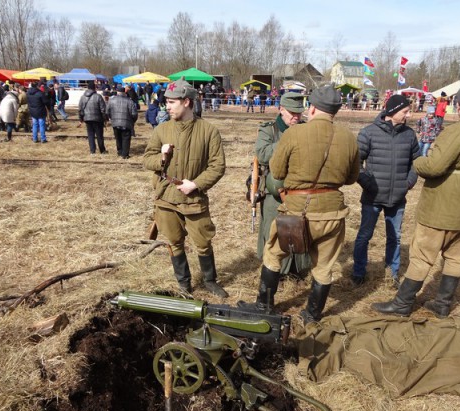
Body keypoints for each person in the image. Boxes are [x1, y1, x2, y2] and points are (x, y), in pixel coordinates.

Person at [372, 80, 460, 318]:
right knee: (456, 256)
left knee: (423, 254)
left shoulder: (457, 131)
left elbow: (433, 167)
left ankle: (403, 303)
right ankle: (443, 304)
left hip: (442, 206)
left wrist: (415, 162)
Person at [243, 85, 360, 324]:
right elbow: (351, 178)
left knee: (273, 254)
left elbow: (276, 170)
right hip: (333, 212)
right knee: (324, 267)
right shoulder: (349, 137)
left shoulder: (294, 134)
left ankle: (264, 306)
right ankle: (311, 315)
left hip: (297, 210)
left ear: (313, 108)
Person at [142, 77, 227, 298]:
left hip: (193, 199)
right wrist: (161, 157)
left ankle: (210, 280)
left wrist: (196, 184)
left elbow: (218, 166)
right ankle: (184, 284)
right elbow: (146, 159)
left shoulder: (209, 131)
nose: (167, 107)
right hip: (166, 197)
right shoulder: (162, 129)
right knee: (174, 242)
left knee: (203, 242)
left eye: (172, 102)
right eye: (166, 102)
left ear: (187, 102)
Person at [352, 94, 419, 288]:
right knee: (364, 235)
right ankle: (358, 271)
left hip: (398, 196)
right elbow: (356, 163)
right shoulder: (368, 133)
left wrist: (407, 183)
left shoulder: (409, 135)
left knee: (395, 237)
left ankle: (392, 272)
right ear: (392, 111)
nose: (408, 115)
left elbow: (417, 162)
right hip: (372, 196)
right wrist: (368, 184)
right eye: (405, 111)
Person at [255, 92, 311, 276]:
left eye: (298, 113)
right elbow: (262, 154)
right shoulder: (269, 130)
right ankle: (274, 271)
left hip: (299, 189)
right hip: (274, 190)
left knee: (299, 228)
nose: (296, 117)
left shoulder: (306, 129)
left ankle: (296, 268)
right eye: (291, 113)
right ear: (281, 110)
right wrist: (287, 141)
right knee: (274, 230)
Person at [106, 86, 138, 159]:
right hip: (126, 123)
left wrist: (112, 118)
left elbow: (107, 112)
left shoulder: (111, 101)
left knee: (118, 138)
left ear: (117, 92)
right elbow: (134, 114)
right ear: (124, 92)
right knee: (126, 138)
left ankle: (120, 152)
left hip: (115, 123)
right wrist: (132, 121)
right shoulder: (130, 101)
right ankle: (125, 154)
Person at [78, 80, 107, 154]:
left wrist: (81, 119)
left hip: (87, 119)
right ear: (95, 88)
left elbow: (80, 109)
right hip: (98, 119)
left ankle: (92, 151)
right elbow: (103, 109)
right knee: (99, 135)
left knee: (90, 135)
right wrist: (105, 119)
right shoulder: (98, 96)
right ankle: (102, 150)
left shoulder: (82, 97)